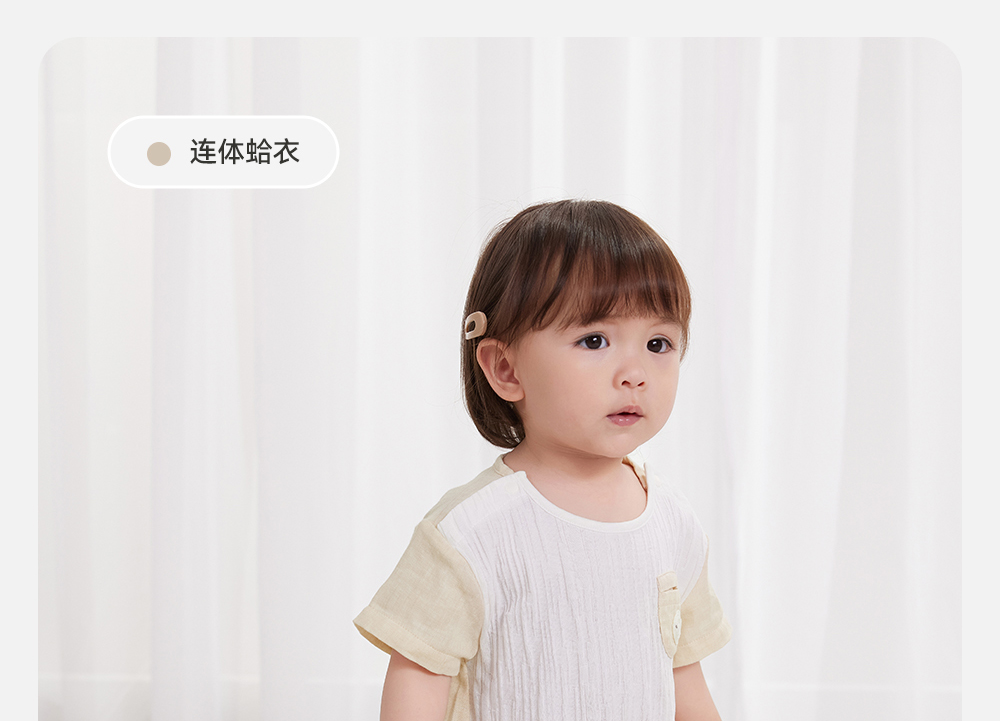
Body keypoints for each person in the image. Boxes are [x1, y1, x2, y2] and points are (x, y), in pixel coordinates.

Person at [354, 199, 732, 721]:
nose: (635, 373)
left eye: (658, 343)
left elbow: (683, 677)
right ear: (506, 368)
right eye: (594, 340)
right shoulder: (470, 532)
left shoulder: (672, 522)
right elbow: (418, 682)